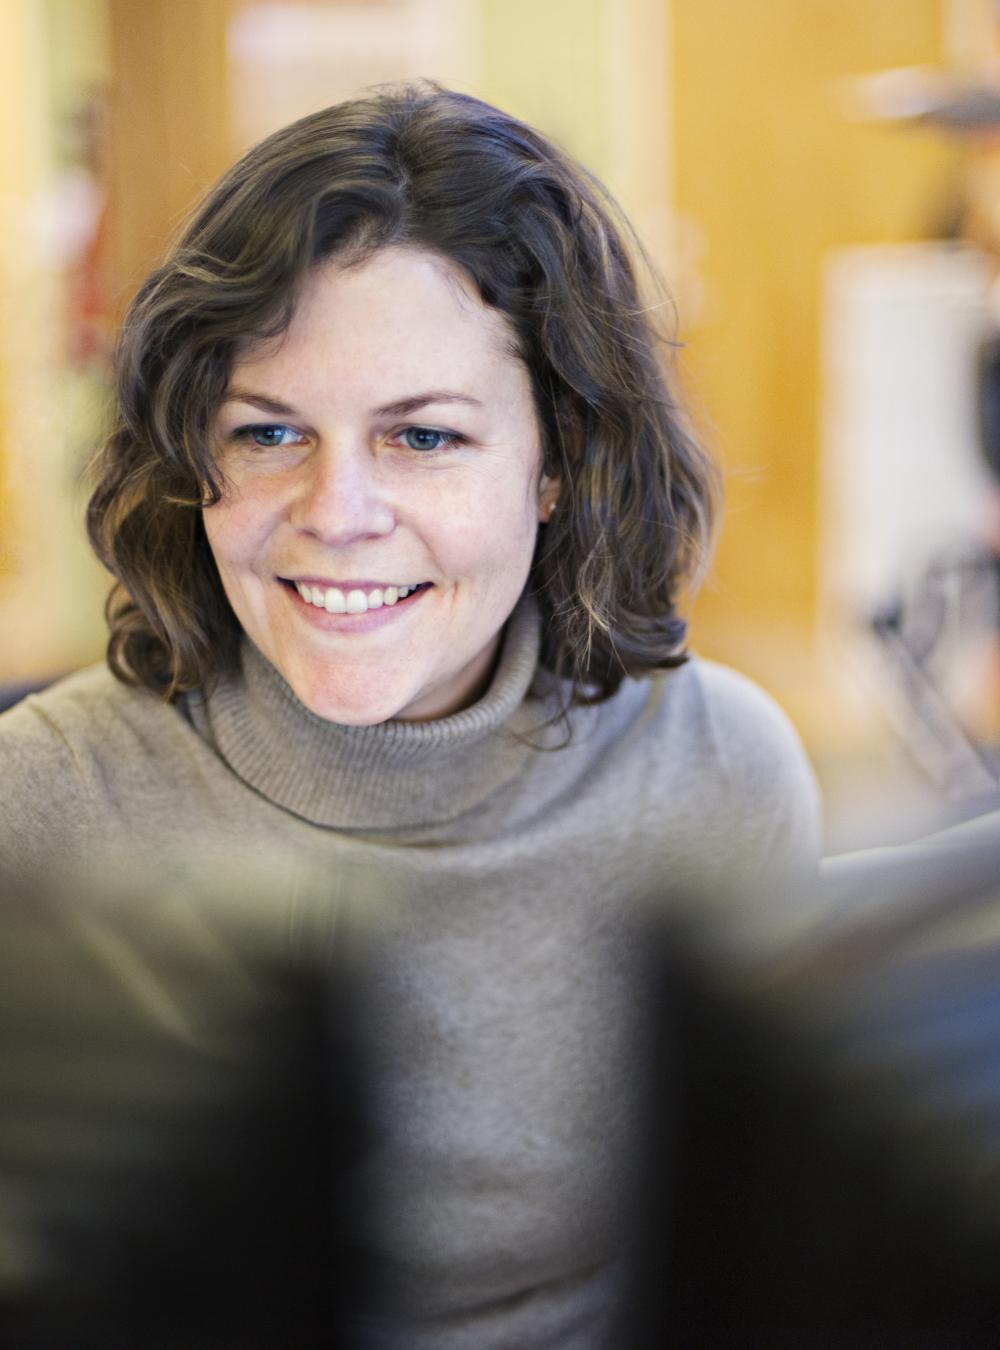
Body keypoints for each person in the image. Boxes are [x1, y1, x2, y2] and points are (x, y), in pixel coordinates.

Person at [0, 83, 820, 1347]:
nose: (337, 513)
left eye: (423, 439)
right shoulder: (41, 805)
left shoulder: (718, 771)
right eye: (268, 432)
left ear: (556, 463)